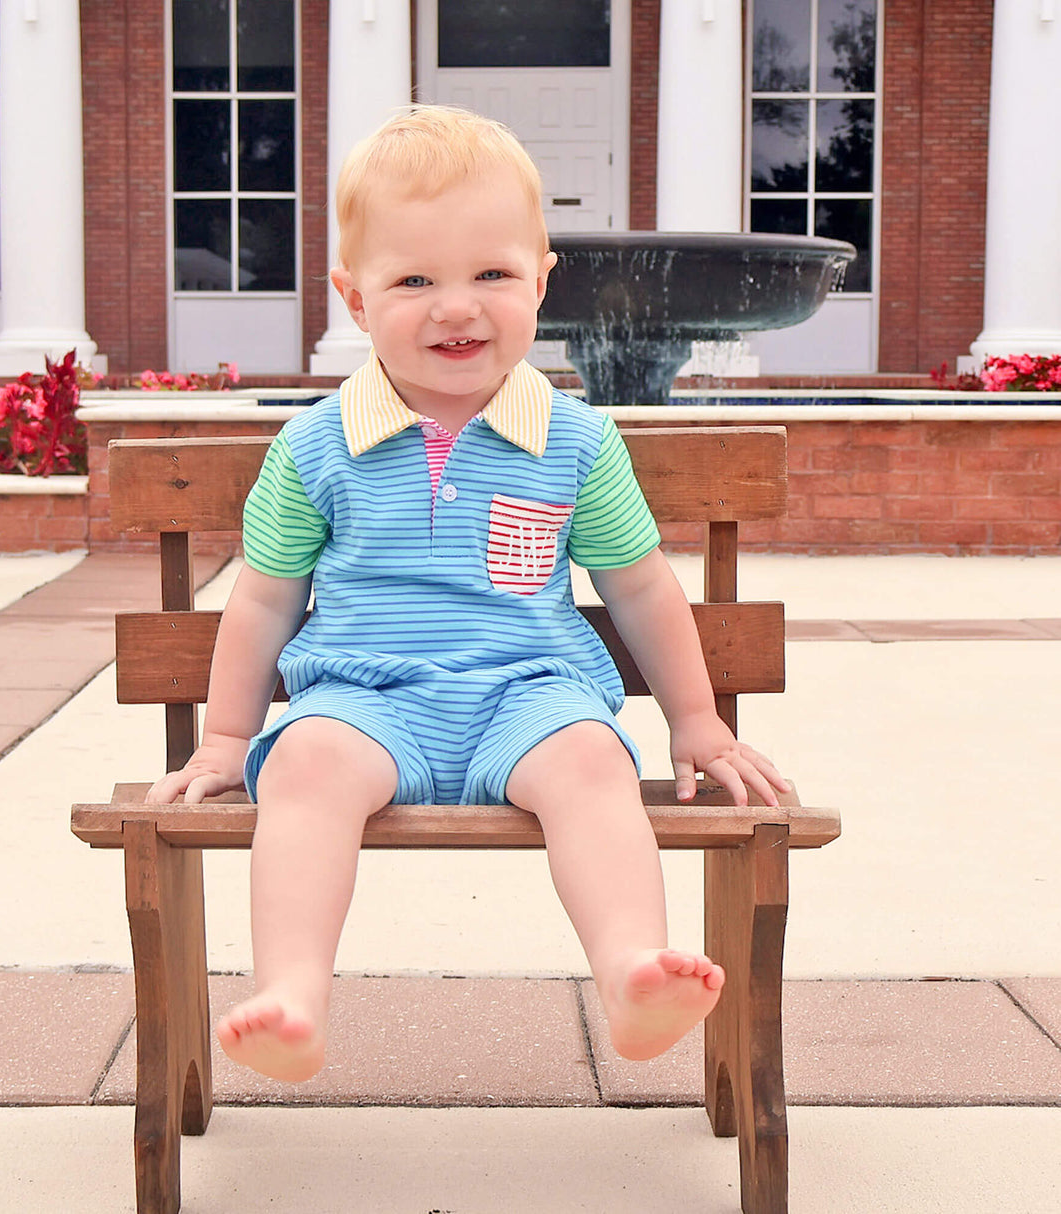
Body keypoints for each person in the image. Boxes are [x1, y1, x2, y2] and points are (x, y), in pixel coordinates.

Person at [147, 105, 789, 1083]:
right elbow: (264, 600)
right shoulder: (314, 447)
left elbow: (640, 587)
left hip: (526, 694)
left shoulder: (575, 443)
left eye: (490, 273)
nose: (456, 306)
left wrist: (694, 719)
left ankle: (629, 970)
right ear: (353, 300)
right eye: (413, 280)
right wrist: (231, 737)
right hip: (362, 699)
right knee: (305, 769)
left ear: (540, 279)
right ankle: (291, 994)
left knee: (589, 763)